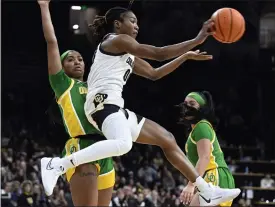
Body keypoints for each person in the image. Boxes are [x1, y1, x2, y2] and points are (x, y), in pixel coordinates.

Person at [41, 7, 240, 206]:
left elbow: (155, 73)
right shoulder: (116, 40)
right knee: (124, 144)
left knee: (167, 139)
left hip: (114, 107)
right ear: (118, 24)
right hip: (101, 104)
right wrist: (197, 39)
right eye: (132, 21)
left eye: (137, 22)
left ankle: (206, 190)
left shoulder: (127, 53)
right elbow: (158, 53)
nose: (136, 26)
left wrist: (185, 56)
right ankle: (58, 165)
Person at [38, 1, 114, 206]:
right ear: (62, 67)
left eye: (80, 58)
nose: (77, 61)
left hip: (106, 149)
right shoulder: (63, 84)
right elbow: (52, 42)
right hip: (81, 147)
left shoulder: (95, 86)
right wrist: (44, 6)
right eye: (70, 59)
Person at [179, 91, 237, 206]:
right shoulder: (197, 128)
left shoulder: (202, 126)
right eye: (185, 104)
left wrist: (191, 185)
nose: (187, 107)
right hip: (208, 177)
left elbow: (204, 157)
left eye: (192, 104)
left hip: (214, 174)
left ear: (201, 108)